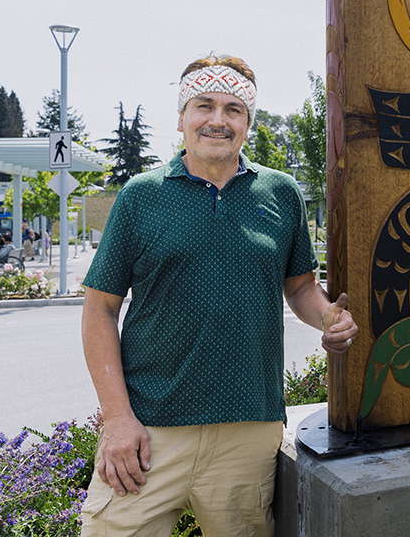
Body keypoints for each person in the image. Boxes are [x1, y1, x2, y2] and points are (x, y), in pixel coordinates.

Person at [80, 54, 357, 537]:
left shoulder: (280, 192)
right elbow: (100, 309)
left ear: (248, 123)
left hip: (247, 431)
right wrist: (118, 419)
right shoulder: (140, 196)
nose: (217, 120)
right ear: (182, 117)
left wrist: (328, 318)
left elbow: (300, 286)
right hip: (150, 430)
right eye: (203, 105)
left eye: (233, 110)